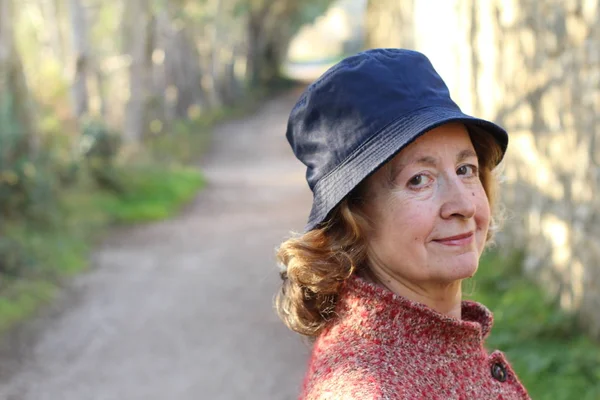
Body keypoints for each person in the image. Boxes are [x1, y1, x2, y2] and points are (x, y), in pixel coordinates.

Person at [275, 49, 531, 399]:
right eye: (418, 180)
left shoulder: (425, 345)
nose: (463, 204)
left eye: (465, 169)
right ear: (353, 220)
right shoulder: (368, 390)